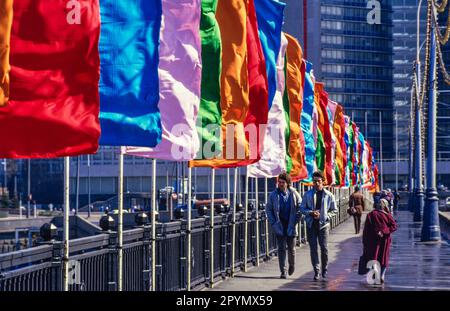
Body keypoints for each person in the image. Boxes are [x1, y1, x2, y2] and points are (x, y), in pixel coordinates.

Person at [300, 171, 338, 281]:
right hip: (311, 225)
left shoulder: (328, 195)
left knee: (324, 248)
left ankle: (324, 269)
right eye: (314, 181)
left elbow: (334, 210)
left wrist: (326, 216)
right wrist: (310, 213)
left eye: (318, 181)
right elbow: (302, 208)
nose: (316, 183)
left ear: (323, 182)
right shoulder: (307, 194)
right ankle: (316, 271)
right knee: (313, 249)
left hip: (323, 225)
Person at [266, 172, 302, 279]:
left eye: (283, 182)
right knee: (281, 249)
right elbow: (268, 209)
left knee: (291, 249)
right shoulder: (273, 195)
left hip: (291, 223)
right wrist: (273, 222)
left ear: (287, 183)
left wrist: (296, 220)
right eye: (279, 182)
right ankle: (283, 271)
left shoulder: (294, 194)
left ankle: (292, 265)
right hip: (279, 224)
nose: (280, 184)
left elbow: (301, 207)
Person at [362, 198, 397, 284]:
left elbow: (366, 229)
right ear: (385, 206)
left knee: (374, 257)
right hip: (385, 240)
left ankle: (376, 273)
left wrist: (365, 240)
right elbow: (394, 226)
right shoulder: (388, 215)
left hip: (373, 240)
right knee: (384, 258)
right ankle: (382, 276)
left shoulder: (371, 214)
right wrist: (384, 231)